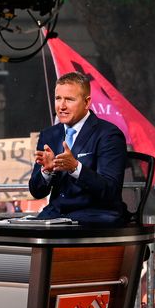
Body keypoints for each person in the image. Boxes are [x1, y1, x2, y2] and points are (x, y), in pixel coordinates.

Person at [29, 72, 127, 224]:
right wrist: (47, 172)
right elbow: (36, 191)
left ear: (87, 103)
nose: (61, 106)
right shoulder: (49, 135)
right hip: (54, 217)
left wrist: (75, 168)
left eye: (69, 99)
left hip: (94, 217)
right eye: (58, 98)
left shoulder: (109, 134)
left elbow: (110, 191)